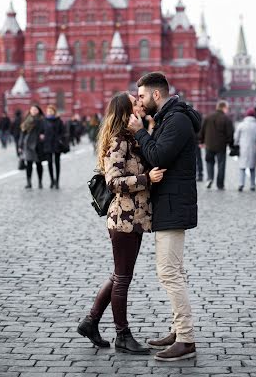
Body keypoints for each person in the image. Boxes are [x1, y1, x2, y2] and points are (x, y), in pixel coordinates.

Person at [78, 92, 160, 354]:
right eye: (135, 102)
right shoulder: (118, 141)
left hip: (133, 219)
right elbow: (114, 182)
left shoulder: (131, 138)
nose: (141, 104)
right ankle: (122, 335)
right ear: (126, 111)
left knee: (119, 275)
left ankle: (91, 322)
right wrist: (147, 179)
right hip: (123, 219)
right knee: (123, 278)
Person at [128, 72, 200, 362]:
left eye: (142, 95)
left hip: (173, 205)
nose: (141, 100)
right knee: (176, 270)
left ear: (157, 94)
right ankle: (176, 329)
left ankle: (185, 339)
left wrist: (139, 132)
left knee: (168, 272)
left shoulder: (177, 120)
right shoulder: (169, 118)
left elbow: (158, 156)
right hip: (169, 203)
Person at [199, 100, 234, 190]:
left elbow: (202, 130)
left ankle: (210, 178)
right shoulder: (226, 119)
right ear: (224, 108)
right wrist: (230, 144)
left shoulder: (208, 117)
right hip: (221, 146)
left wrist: (201, 141)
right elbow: (230, 134)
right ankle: (220, 184)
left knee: (209, 162)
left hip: (209, 144)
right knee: (221, 165)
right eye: (227, 108)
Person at [19, 104, 45, 189]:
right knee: (29, 164)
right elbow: (22, 133)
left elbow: (45, 130)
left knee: (39, 164)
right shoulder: (26, 120)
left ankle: (40, 182)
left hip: (38, 144)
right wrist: (20, 145)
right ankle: (29, 182)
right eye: (32, 109)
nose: (33, 111)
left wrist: (43, 135)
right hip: (28, 144)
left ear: (38, 111)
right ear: (30, 111)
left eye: (35, 109)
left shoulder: (42, 120)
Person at [234, 108, 256, 192]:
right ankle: (252, 185)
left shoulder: (241, 125)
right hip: (253, 148)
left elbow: (236, 137)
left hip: (243, 148)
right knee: (252, 168)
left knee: (242, 167)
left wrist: (236, 144)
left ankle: (241, 183)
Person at [42, 104, 65, 189]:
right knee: (49, 163)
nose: (49, 112)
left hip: (56, 144)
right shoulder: (44, 121)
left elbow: (63, 132)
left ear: (54, 112)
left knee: (57, 163)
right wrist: (41, 136)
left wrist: (59, 139)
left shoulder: (59, 121)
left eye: (51, 111)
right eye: (48, 111)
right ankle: (52, 180)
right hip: (47, 144)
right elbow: (41, 131)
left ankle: (57, 181)